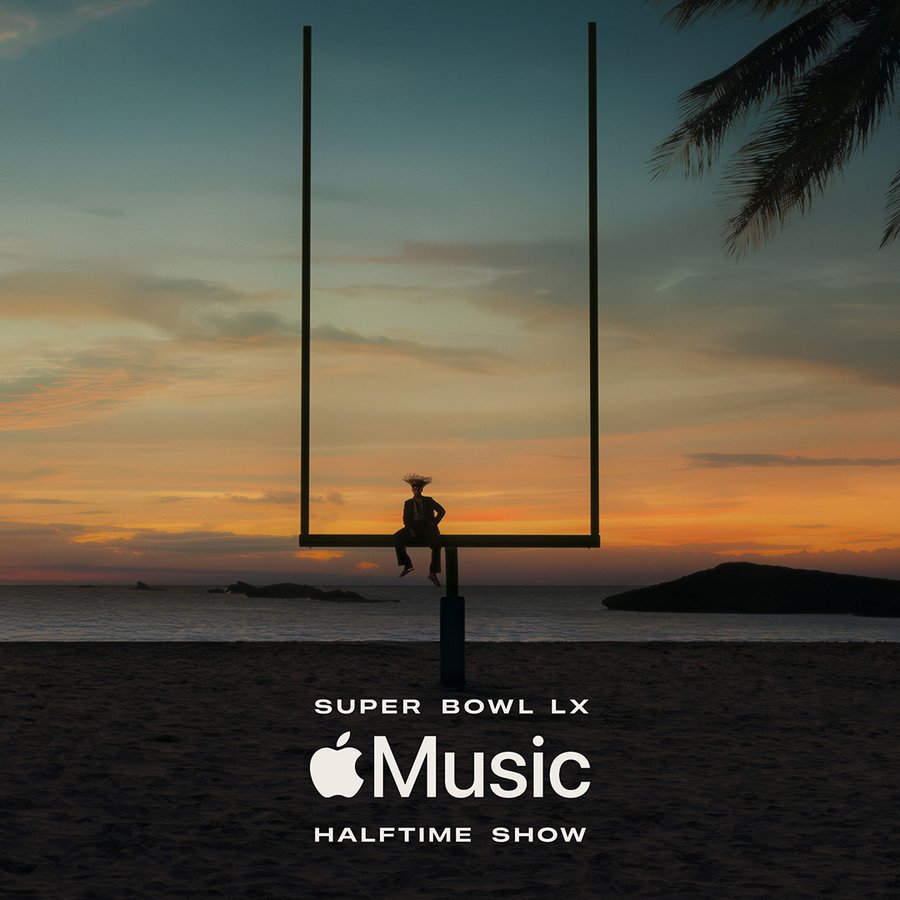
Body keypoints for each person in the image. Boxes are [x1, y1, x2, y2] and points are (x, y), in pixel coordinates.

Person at [394, 473, 445, 587]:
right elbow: (405, 518)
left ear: (422, 490)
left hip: (427, 526)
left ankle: (433, 573)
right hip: (413, 526)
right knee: (397, 537)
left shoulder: (429, 500)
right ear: (412, 490)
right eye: (414, 489)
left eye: (418, 489)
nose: (416, 490)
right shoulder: (408, 503)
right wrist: (410, 529)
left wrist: (434, 523)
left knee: (436, 543)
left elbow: (442, 511)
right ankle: (407, 565)